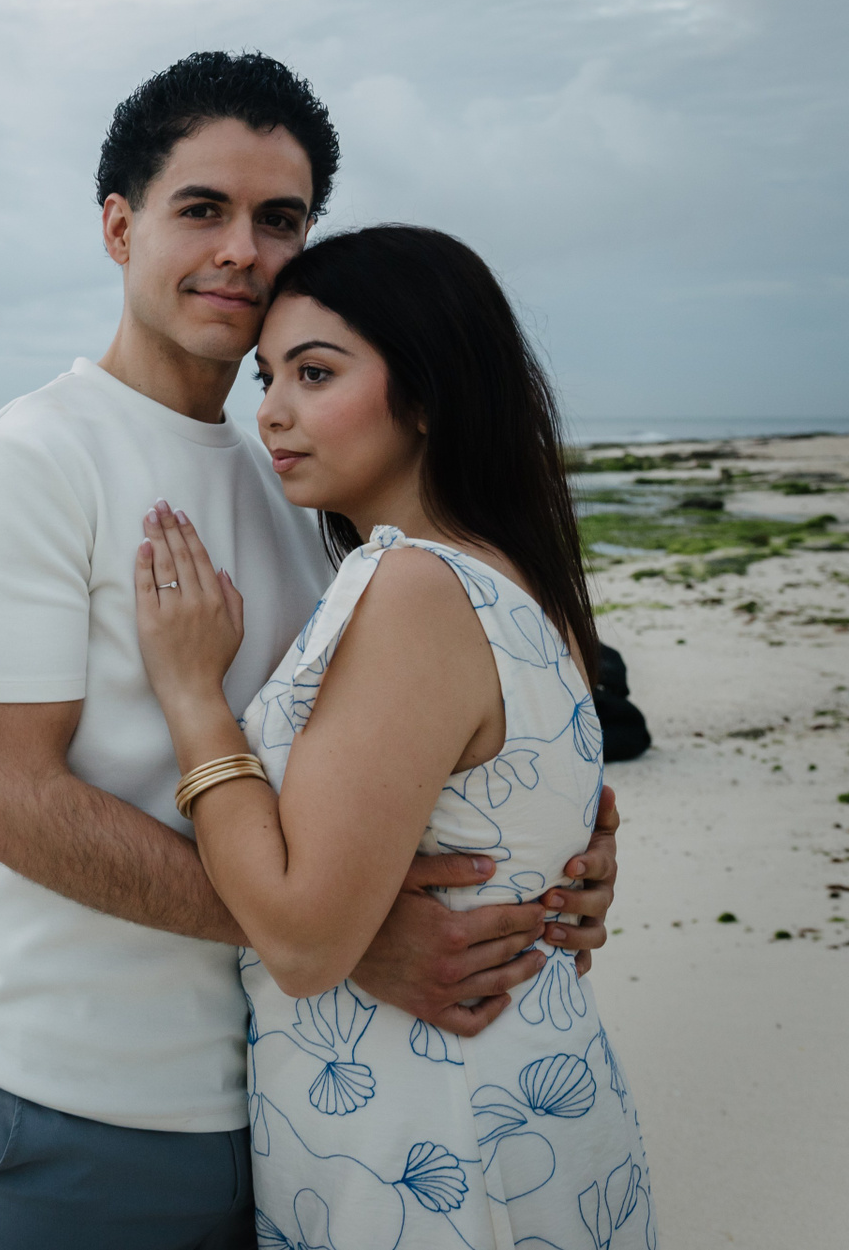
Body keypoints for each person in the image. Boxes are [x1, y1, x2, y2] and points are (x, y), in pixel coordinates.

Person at [0, 53, 621, 1250]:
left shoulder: (302, 481)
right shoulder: (25, 464)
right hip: (85, 1095)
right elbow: (10, 802)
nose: (243, 249)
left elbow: (401, 738)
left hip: (298, 1098)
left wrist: (547, 863)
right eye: (203, 209)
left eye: (279, 219)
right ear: (119, 227)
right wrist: (349, 939)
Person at [132, 225, 652, 1248]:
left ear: (425, 394)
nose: (270, 410)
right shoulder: (517, 573)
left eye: (316, 373)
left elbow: (303, 941)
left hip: (424, 1133)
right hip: (524, 1098)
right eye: (268, 376)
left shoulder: (414, 587)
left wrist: (194, 698)